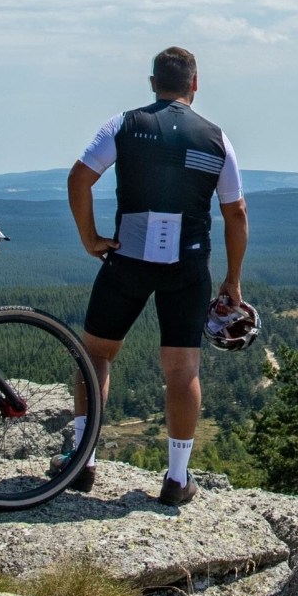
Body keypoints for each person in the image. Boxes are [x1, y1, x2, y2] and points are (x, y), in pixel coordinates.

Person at [60, 46, 248, 505]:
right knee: (182, 369)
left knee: (97, 355)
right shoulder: (217, 138)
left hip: (127, 258)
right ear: (195, 84)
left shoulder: (123, 124)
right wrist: (233, 280)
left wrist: (91, 238)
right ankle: (178, 478)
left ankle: (83, 461)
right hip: (188, 264)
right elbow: (236, 213)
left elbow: (79, 179)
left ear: (152, 83)